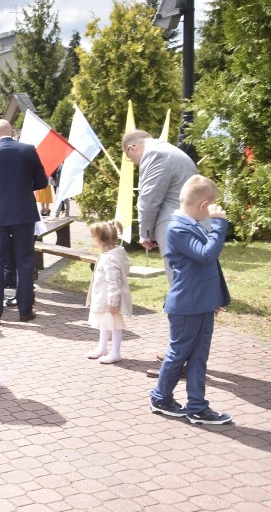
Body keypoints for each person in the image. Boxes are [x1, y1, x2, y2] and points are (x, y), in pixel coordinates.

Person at [149, 175, 232, 425]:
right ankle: (160, 398)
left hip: (200, 303)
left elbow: (205, 268)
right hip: (187, 304)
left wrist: (212, 297)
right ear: (204, 205)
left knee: (198, 357)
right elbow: (206, 255)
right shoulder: (177, 228)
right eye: (213, 206)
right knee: (178, 354)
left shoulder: (191, 224)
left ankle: (197, 406)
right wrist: (219, 225)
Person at [123, 129, 198, 376]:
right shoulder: (172, 151)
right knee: (189, 295)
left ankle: (179, 361)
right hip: (191, 231)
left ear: (132, 148)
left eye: (131, 159)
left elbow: (148, 198)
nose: (135, 164)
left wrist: (145, 233)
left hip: (177, 233)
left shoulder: (154, 155)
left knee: (181, 297)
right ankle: (187, 355)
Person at [0, 119, 47, 324]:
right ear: (12, 132)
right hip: (24, 214)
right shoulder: (28, 150)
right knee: (24, 261)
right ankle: (25, 311)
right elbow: (42, 181)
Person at [85, 220, 132, 364]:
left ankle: (115, 352)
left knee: (114, 326)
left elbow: (113, 282)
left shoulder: (110, 258)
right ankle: (102, 348)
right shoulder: (114, 253)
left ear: (98, 240)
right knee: (104, 325)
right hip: (104, 298)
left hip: (109, 300)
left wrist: (113, 302)